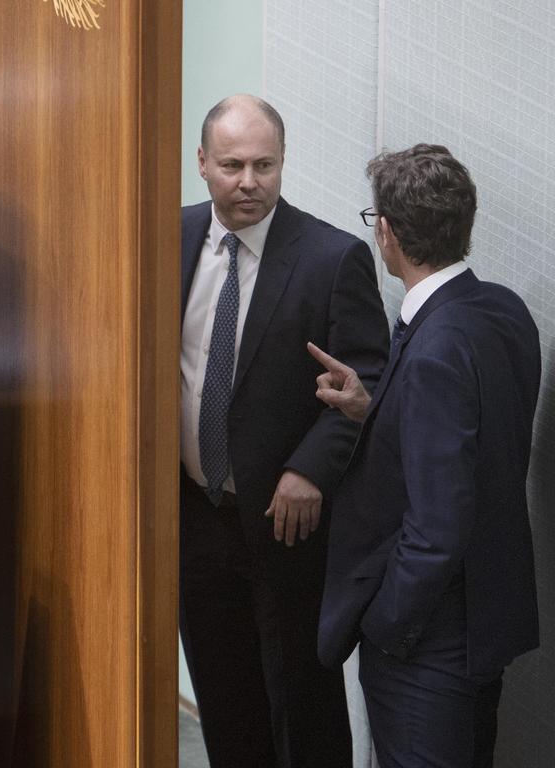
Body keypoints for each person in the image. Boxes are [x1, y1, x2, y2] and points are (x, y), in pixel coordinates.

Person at [312, 144, 540, 768]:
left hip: (427, 645)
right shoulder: (503, 311)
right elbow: (478, 436)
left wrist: (387, 627)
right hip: (485, 627)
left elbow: (438, 523)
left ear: (385, 232)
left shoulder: (435, 347)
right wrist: (374, 409)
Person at [179, 94, 390, 767]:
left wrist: (310, 469)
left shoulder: (333, 258)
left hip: (285, 527)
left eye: (265, 165)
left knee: (303, 712)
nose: (249, 182)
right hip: (193, 516)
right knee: (224, 702)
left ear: (282, 163)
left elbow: (366, 384)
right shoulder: (163, 237)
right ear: (203, 163)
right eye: (234, 165)